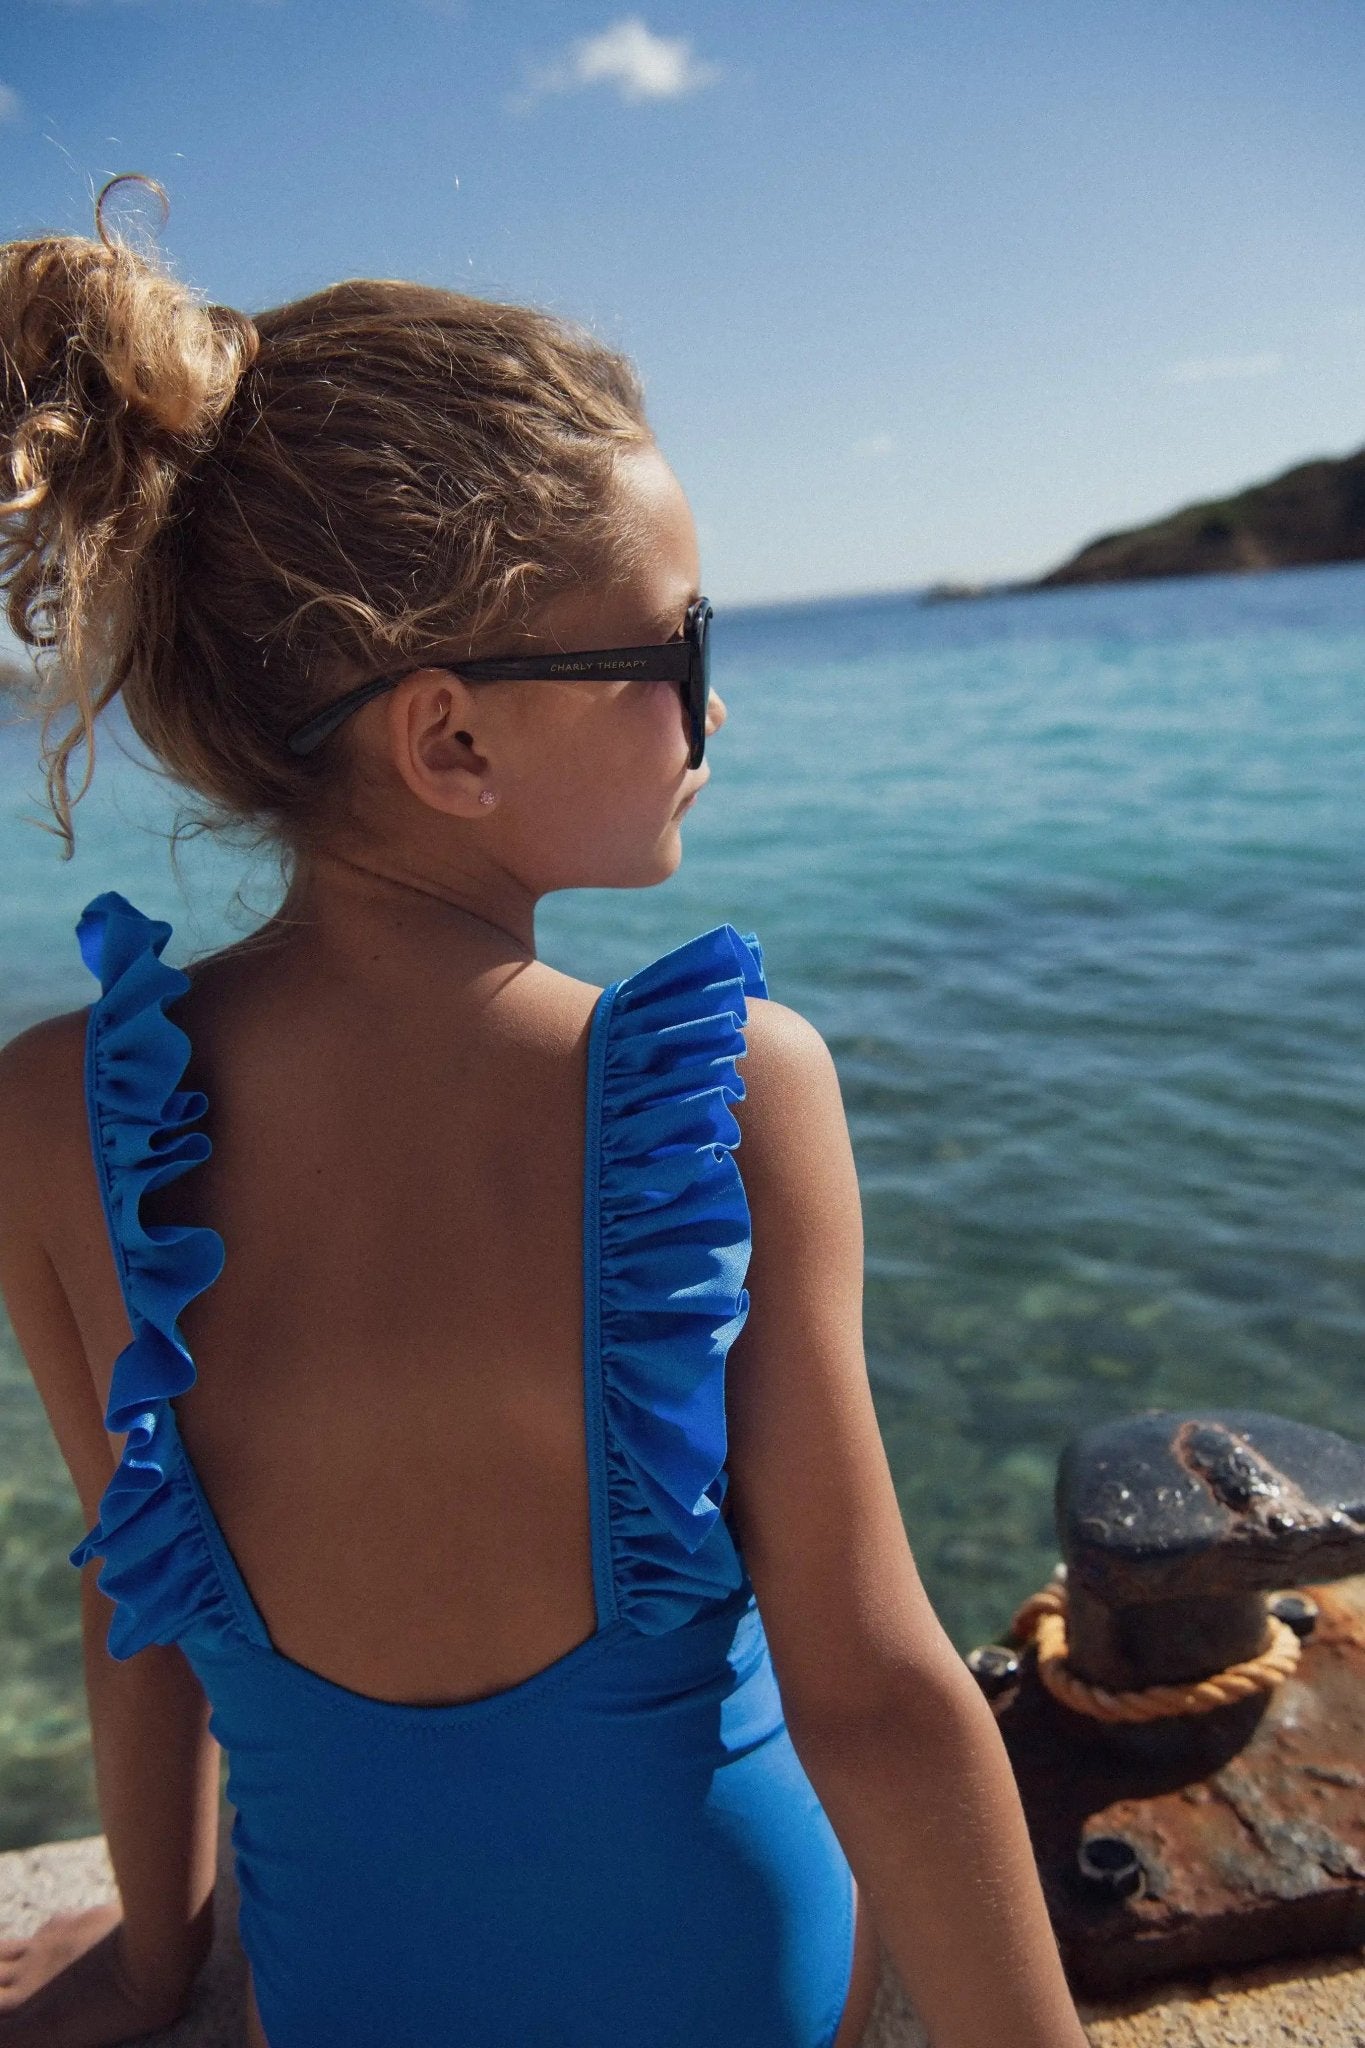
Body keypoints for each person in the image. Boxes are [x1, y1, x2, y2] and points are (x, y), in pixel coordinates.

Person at [0, 180, 1091, 2048]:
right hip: (731, 1994)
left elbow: (137, 1615)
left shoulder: (41, 1115)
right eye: (678, 653)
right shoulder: (729, 1092)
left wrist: (156, 1970)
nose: (713, 716)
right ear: (452, 740)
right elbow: (875, 1695)